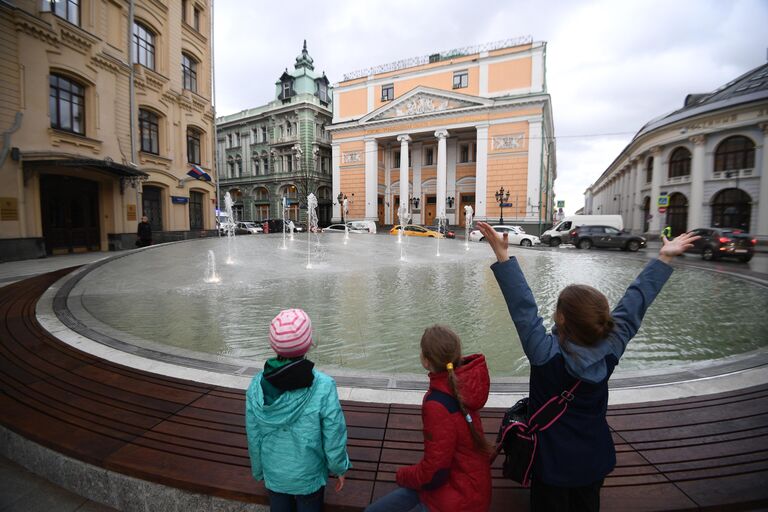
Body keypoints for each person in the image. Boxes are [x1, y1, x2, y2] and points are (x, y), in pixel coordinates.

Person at [476, 222, 698, 512]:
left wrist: (503, 257)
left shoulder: (545, 354)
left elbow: (523, 307)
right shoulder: (611, 348)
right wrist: (664, 258)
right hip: (593, 460)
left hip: (551, 463)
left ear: (561, 318)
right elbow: (635, 302)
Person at [365, 325, 492, 512]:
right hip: (467, 486)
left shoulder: (437, 404)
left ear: (425, 360)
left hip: (458, 499)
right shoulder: (463, 385)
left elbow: (435, 474)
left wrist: (403, 475)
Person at [245, 308, 350, 512]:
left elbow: (253, 434)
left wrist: (259, 469)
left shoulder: (256, 385)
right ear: (309, 343)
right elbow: (333, 434)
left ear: (272, 343)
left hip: (274, 473)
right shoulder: (323, 386)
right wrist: (339, 467)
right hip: (308, 475)